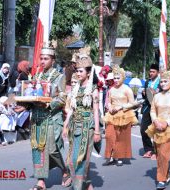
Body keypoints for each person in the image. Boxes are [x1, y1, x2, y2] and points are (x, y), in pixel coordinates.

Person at [30, 47, 70, 190]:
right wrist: (23, 105)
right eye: (41, 58)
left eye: (46, 59)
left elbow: (62, 97)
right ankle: (40, 180)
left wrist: (49, 104)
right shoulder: (36, 76)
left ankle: (64, 170)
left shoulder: (59, 76)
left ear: (52, 61)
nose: (42, 61)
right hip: (37, 118)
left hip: (53, 117)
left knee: (53, 149)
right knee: (37, 149)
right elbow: (31, 95)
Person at [62, 48, 101, 190]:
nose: (78, 73)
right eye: (77, 71)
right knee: (74, 159)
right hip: (74, 126)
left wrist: (97, 131)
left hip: (87, 127)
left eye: (81, 71)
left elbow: (96, 111)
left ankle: (77, 187)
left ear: (88, 73)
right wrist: (66, 125)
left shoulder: (94, 89)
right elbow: (72, 109)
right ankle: (88, 185)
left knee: (79, 160)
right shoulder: (76, 89)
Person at [145, 71, 170, 190]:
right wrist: (156, 121)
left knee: (163, 154)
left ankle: (161, 180)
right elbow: (152, 111)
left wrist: (167, 122)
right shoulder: (156, 96)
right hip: (157, 128)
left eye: (165, 81)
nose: (162, 83)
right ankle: (165, 175)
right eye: (161, 81)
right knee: (159, 154)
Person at [103, 66, 138, 166]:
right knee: (109, 135)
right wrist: (109, 107)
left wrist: (120, 107)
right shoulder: (111, 89)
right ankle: (110, 156)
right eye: (115, 78)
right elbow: (108, 101)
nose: (116, 80)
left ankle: (119, 157)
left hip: (124, 115)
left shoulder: (127, 89)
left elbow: (132, 103)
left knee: (121, 137)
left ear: (122, 78)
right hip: (112, 115)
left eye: (118, 78)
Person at [141, 64, 160, 159]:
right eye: (150, 71)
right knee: (143, 129)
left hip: (158, 108)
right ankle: (148, 149)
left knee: (157, 130)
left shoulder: (161, 82)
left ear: (158, 72)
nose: (151, 73)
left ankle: (157, 151)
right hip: (148, 107)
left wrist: (156, 93)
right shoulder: (147, 81)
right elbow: (146, 95)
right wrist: (144, 93)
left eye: (153, 72)